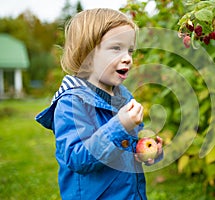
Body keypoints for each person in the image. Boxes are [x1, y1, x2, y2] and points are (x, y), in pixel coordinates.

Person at [35, 8, 163, 200]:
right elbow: (77, 158)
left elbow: (130, 143)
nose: (128, 57)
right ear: (87, 54)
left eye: (130, 50)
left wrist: (148, 149)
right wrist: (120, 126)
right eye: (116, 48)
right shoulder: (71, 103)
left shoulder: (123, 97)